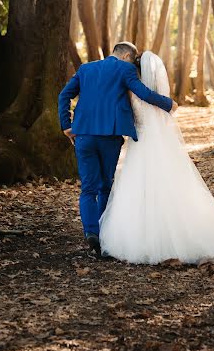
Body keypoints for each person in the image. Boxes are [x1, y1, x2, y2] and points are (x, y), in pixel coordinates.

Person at [99, 51, 214, 269]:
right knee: (170, 185)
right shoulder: (158, 95)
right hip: (161, 142)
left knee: (140, 187)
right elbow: (161, 115)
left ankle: (143, 238)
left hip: (140, 144)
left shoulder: (132, 91)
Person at [58, 42, 177, 257]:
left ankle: (90, 233)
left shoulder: (86, 69)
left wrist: (66, 125)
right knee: (105, 186)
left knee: (88, 188)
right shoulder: (126, 69)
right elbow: (143, 93)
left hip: (83, 135)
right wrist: (168, 103)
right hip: (110, 137)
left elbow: (64, 95)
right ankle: (104, 235)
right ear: (127, 56)